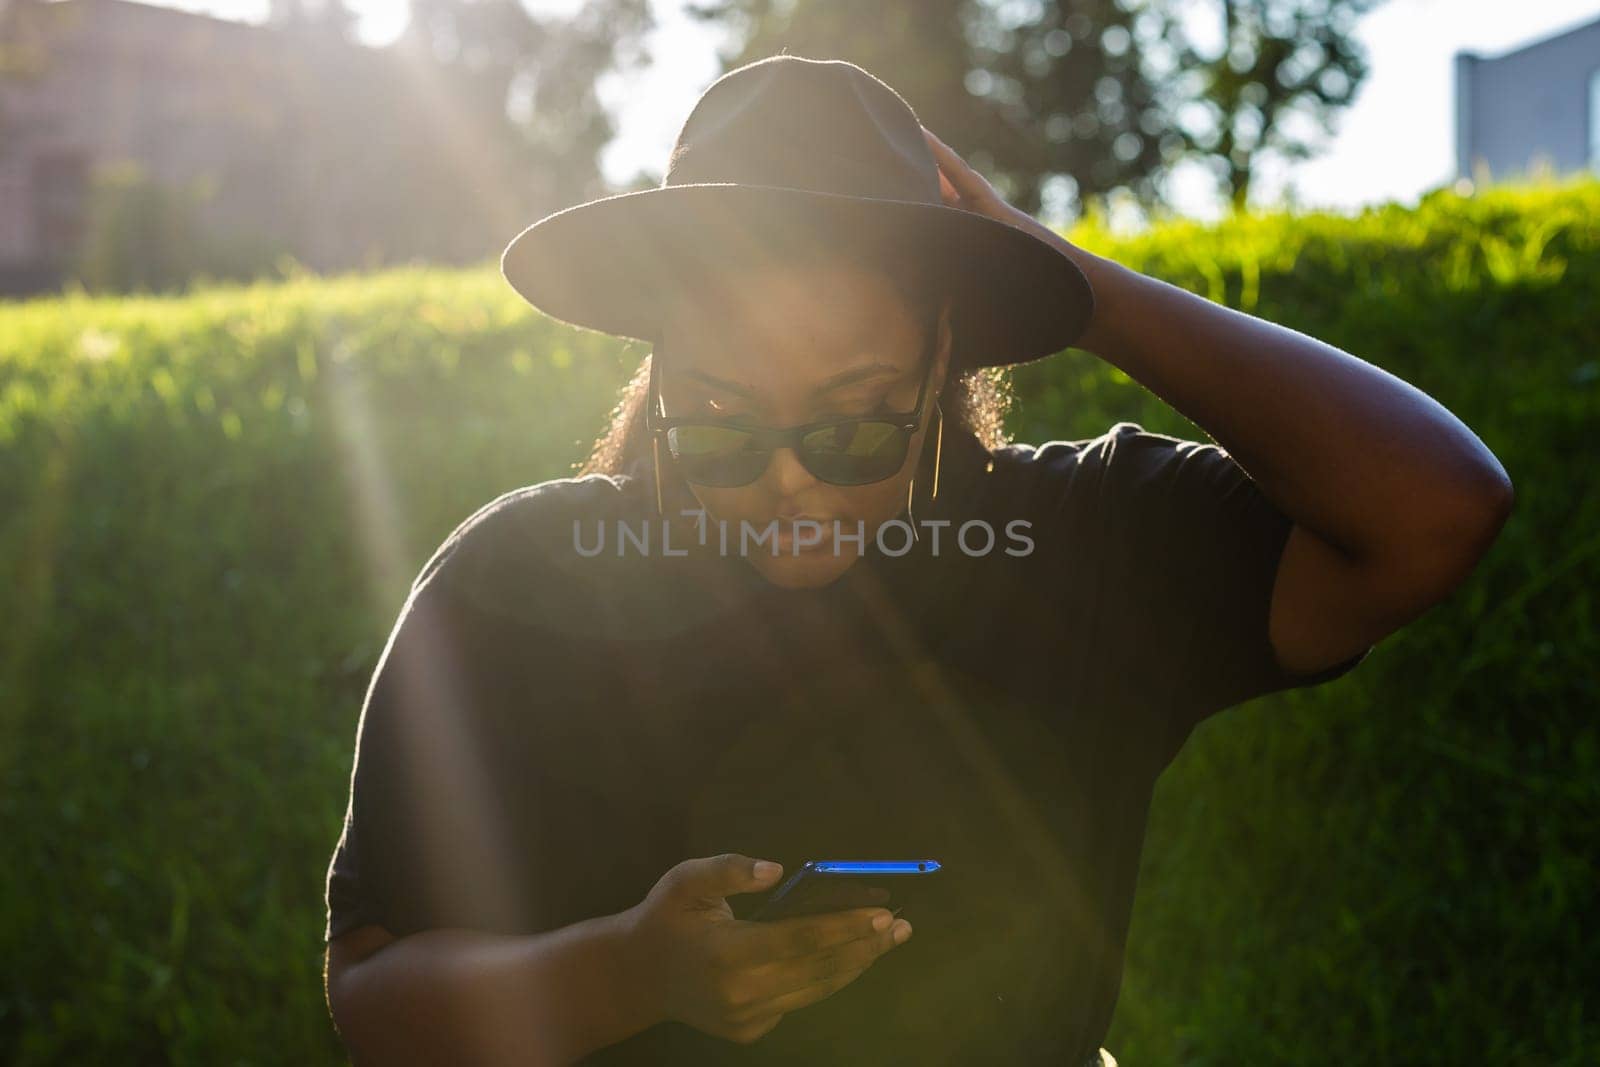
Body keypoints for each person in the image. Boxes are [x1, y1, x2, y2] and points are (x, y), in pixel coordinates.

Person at [321, 55, 1513, 1066]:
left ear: (943, 350)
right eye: (724, 422)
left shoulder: (1084, 546)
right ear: (658, 358)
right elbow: (373, 988)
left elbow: (1432, 510)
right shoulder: (520, 583)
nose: (787, 479)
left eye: (851, 424)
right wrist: (628, 973)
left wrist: (1060, 278)